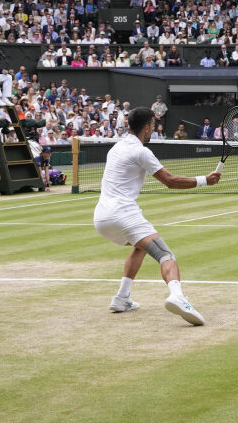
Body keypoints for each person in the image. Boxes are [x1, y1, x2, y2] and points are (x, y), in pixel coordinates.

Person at [92, 107, 220, 325]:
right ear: (147, 127)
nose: (154, 128)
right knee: (165, 255)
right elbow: (170, 181)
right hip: (124, 214)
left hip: (101, 218)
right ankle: (178, 296)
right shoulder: (141, 151)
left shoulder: (115, 148)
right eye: (153, 124)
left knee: (140, 245)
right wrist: (204, 180)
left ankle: (122, 298)